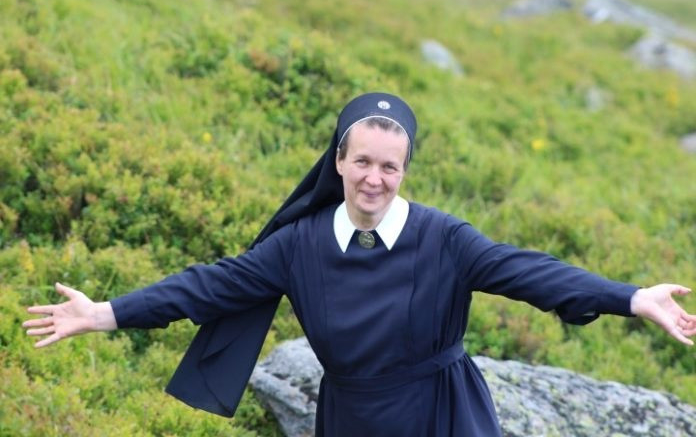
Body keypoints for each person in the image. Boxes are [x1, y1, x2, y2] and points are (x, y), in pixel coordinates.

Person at [24, 93, 696, 436]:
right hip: (353, 418)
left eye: (390, 167)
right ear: (339, 161)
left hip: (443, 412)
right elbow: (211, 286)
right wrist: (104, 314)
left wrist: (632, 297)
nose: (375, 178)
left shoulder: (445, 239)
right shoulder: (297, 246)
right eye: (363, 162)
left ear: (405, 171)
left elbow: (528, 271)